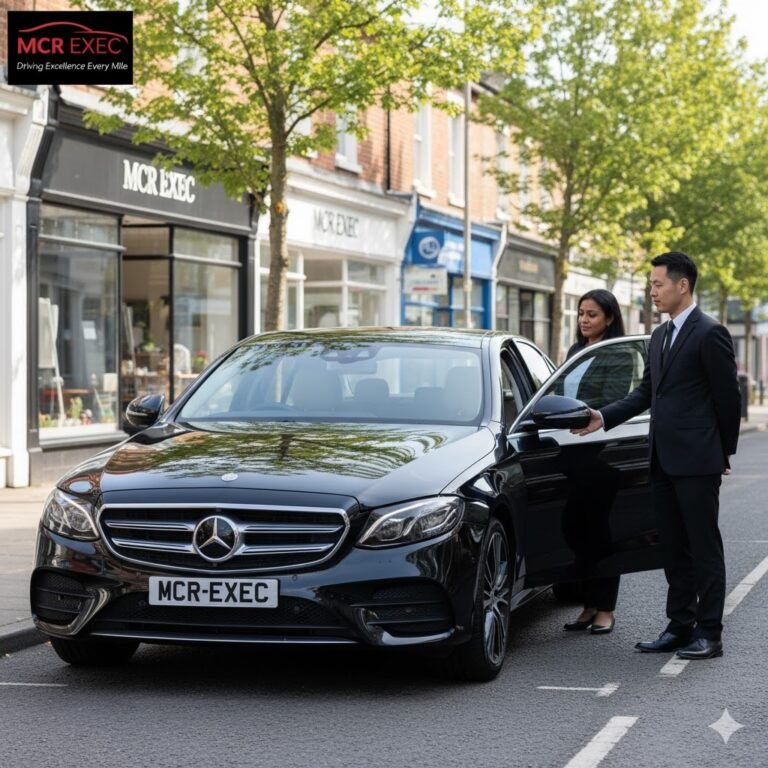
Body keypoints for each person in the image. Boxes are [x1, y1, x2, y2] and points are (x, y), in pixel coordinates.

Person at [574, 252, 740, 660]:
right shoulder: (659, 337)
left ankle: (710, 632)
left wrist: (722, 452)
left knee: (703, 547)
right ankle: (680, 625)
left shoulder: (709, 332)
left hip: (698, 461)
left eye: (658, 284)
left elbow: (728, 399)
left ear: (682, 286)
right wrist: (602, 416)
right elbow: (646, 393)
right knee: (672, 548)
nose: (653, 292)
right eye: (651, 285)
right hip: (661, 459)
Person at [562, 289, 627, 635]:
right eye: (581, 314)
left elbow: (610, 400)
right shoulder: (575, 351)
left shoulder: (617, 353)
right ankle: (588, 604)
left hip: (601, 453)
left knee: (601, 531)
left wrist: (575, 412)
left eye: (592, 315)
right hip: (571, 451)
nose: (585, 321)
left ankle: (606, 609)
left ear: (610, 318)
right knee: (576, 529)